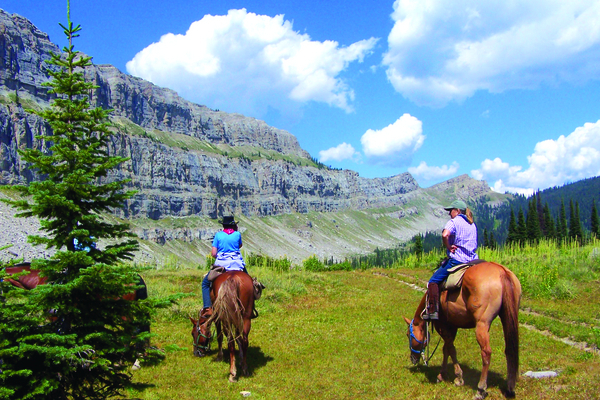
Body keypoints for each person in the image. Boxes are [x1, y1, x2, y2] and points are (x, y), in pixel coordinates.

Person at [424, 200, 478, 320]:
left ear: (457, 211)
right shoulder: (472, 224)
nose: (449, 213)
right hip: (473, 260)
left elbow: (445, 235)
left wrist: (448, 246)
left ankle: (433, 311)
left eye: (451, 210)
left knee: (433, 281)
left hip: (458, 260)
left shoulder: (454, 222)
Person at [200, 216, 247, 318]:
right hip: (237, 263)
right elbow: (239, 246)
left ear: (223, 225)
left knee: (205, 283)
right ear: (234, 225)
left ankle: (208, 308)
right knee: (250, 281)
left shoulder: (218, 235)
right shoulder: (237, 234)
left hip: (222, 264)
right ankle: (250, 306)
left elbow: (213, 253)